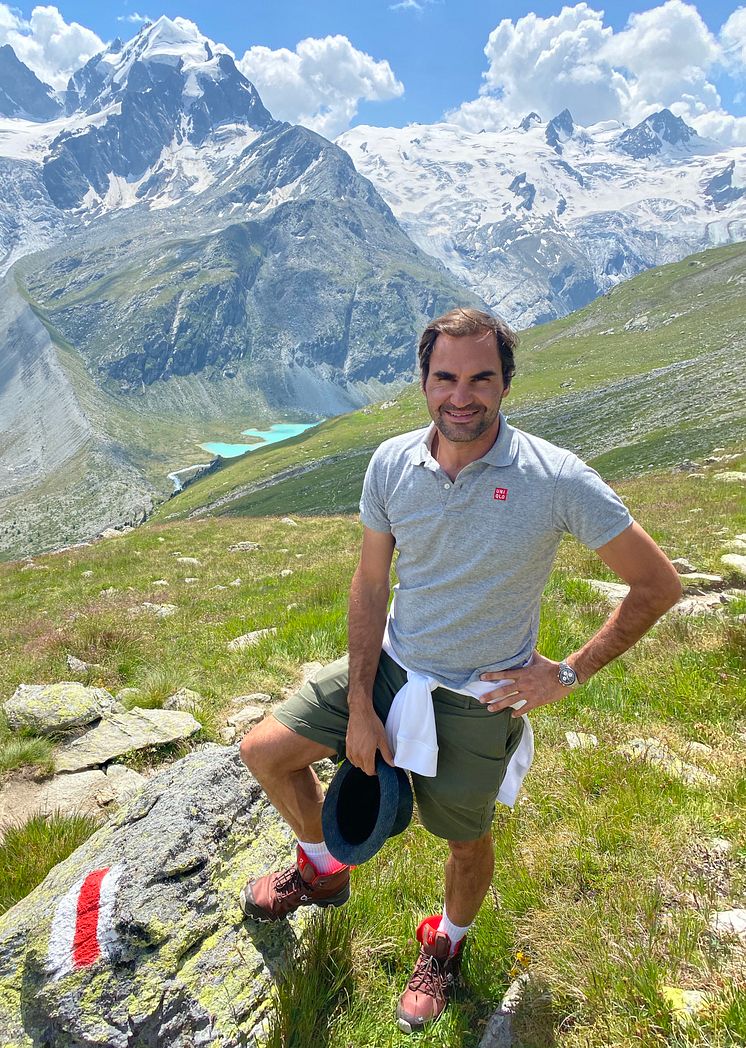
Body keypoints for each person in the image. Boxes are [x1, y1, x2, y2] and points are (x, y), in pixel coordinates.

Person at [238, 307, 682, 1034]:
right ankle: (323, 866)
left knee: (465, 840)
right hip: (393, 664)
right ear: (423, 382)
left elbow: (658, 584)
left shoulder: (555, 477)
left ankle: (445, 945)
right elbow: (371, 584)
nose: (461, 395)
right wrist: (358, 702)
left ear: (507, 383)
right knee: (264, 752)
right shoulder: (391, 462)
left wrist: (566, 674)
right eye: (445, 377)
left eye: (481, 377)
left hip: (482, 696)